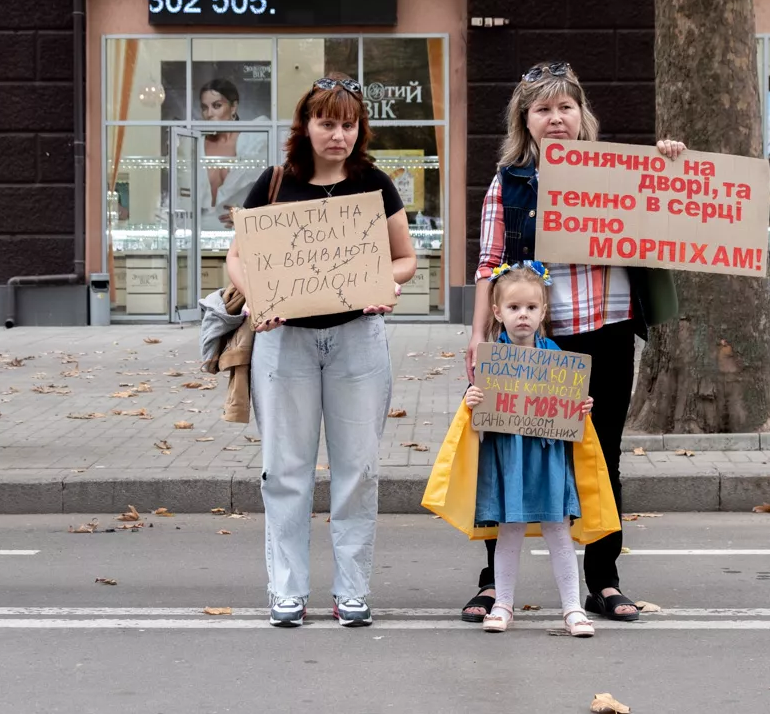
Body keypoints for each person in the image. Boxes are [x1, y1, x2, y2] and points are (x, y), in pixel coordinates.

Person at [461, 60, 682, 623]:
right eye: (543, 109)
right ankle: (494, 583)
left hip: (606, 332)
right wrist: (478, 332)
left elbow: (674, 214)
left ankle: (602, 581)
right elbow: (489, 262)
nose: (555, 118)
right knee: (507, 451)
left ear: (582, 114)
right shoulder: (508, 180)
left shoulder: (624, 173)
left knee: (599, 455)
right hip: (534, 340)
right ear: (525, 120)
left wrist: (672, 166)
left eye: (565, 107)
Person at [224, 75, 416, 628]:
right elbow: (238, 255)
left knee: (359, 469)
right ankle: (287, 591)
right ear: (305, 126)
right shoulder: (276, 182)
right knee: (284, 469)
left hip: (358, 339)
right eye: (327, 122)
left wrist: (386, 285)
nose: (338, 135)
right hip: (284, 342)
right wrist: (261, 296)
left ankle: (352, 591)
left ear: (361, 129)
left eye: (348, 124)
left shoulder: (375, 184)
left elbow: (405, 258)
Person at [462, 261, 597, 637]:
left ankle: (572, 607)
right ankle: (502, 603)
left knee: (558, 530)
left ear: (544, 311)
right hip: (509, 457)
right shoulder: (491, 356)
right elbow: (475, 413)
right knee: (510, 531)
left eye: (531, 308)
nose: (523, 316)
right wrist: (471, 398)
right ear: (497, 312)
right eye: (514, 308)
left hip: (547, 454)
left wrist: (581, 406)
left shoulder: (557, 355)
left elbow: (570, 406)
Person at [198, 79, 268, 231]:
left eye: (217, 106)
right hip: (201, 233)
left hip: (245, 231)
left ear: (233, 107)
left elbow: (274, 190)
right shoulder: (195, 146)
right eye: (204, 108)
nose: (209, 114)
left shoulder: (255, 141)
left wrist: (250, 214)